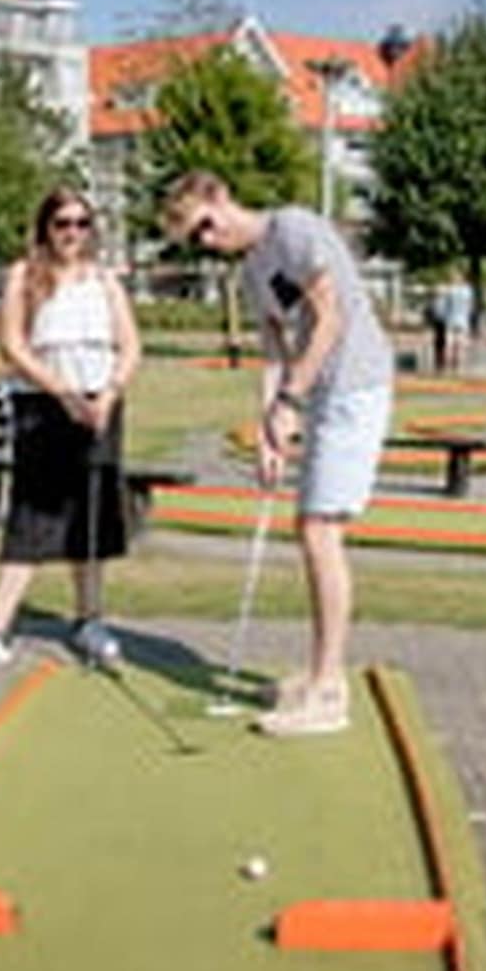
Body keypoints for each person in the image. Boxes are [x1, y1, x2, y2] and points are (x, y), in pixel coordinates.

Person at [164, 170, 394, 737]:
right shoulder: (251, 272)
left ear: (220, 199)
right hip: (319, 393)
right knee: (310, 528)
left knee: (319, 530)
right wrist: (269, 427)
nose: (207, 243)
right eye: (196, 242)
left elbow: (329, 319)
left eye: (206, 228)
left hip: (354, 385)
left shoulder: (293, 229)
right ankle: (320, 674)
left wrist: (291, 401)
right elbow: (276, 350)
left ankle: (328, 689)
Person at [0, 188, 142, 672]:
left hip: (99, 406)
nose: (72, 234)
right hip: (42, 405)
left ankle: (89, 620)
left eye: (82, 224)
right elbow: (12, 344)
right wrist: (62, 393)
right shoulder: (25, 276)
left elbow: (130, 346)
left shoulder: (105, 281)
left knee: (91, 516)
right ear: (45, 227)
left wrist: (109, 393)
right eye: (62, 224)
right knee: (31, 515)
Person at [441, 271, 474, 373]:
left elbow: (445, 306)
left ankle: (448, 366)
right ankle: (458, 367)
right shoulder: (468, 290)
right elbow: (470, 306)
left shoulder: (449, 290)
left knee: (449, 343)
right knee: (460, 344)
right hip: (462, 319)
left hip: (451, 319)